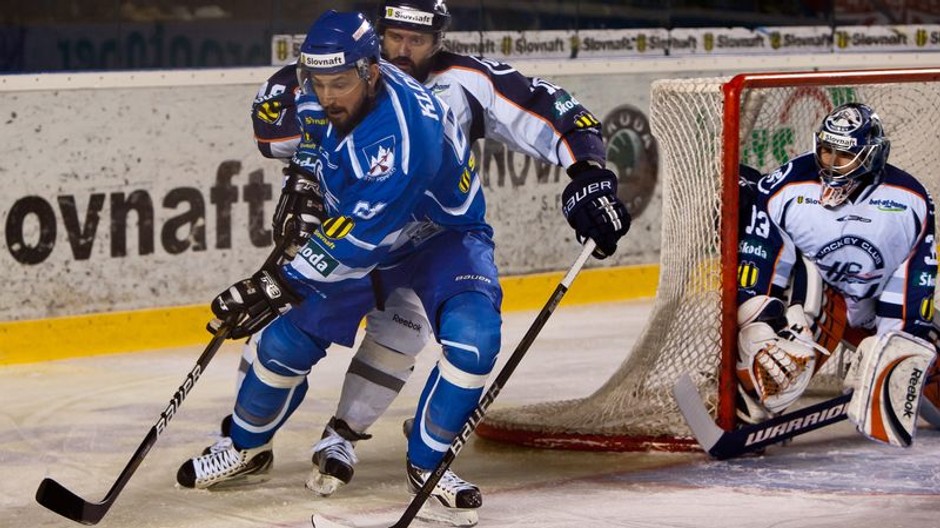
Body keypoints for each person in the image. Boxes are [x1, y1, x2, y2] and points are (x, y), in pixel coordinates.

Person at [176, 10, 584, 526]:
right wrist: (304, 180)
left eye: (340, 84)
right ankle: (245, 449)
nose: (328, 95)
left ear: (370, 72)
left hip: (441, 238)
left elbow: (359, 237)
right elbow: (311, 132)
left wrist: (279, 283)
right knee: (283, 343)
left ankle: (428, 468)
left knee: (474, 341)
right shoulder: (324, 84)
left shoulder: (406, 137)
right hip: (363, 227)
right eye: (318, 82)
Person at [247, 0, 630, 501]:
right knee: (287, 327)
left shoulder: (464, 80)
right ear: (376, 38)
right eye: (395, 37)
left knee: (403, 332)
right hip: (354, 232)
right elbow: (279, 130)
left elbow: (551, 109)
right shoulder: (340, 77)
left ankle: (344, 435)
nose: (404, 50)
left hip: (429, 239)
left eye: (418, 40)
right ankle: (244, 439)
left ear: (439, 40)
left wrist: (589, 172)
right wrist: (299, 155)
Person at [735, 103, 938, 446]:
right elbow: (765, 258)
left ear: (872, 155)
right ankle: (754, 403)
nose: (830, 161)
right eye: (827, 150)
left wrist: (893, 349)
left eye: (844, 154)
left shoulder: (911, 199)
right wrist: (759, 323)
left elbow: (912, 280)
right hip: (820, 303)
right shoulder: (786, 185)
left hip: (874, 310)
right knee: (774, 323)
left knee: (918, 370)